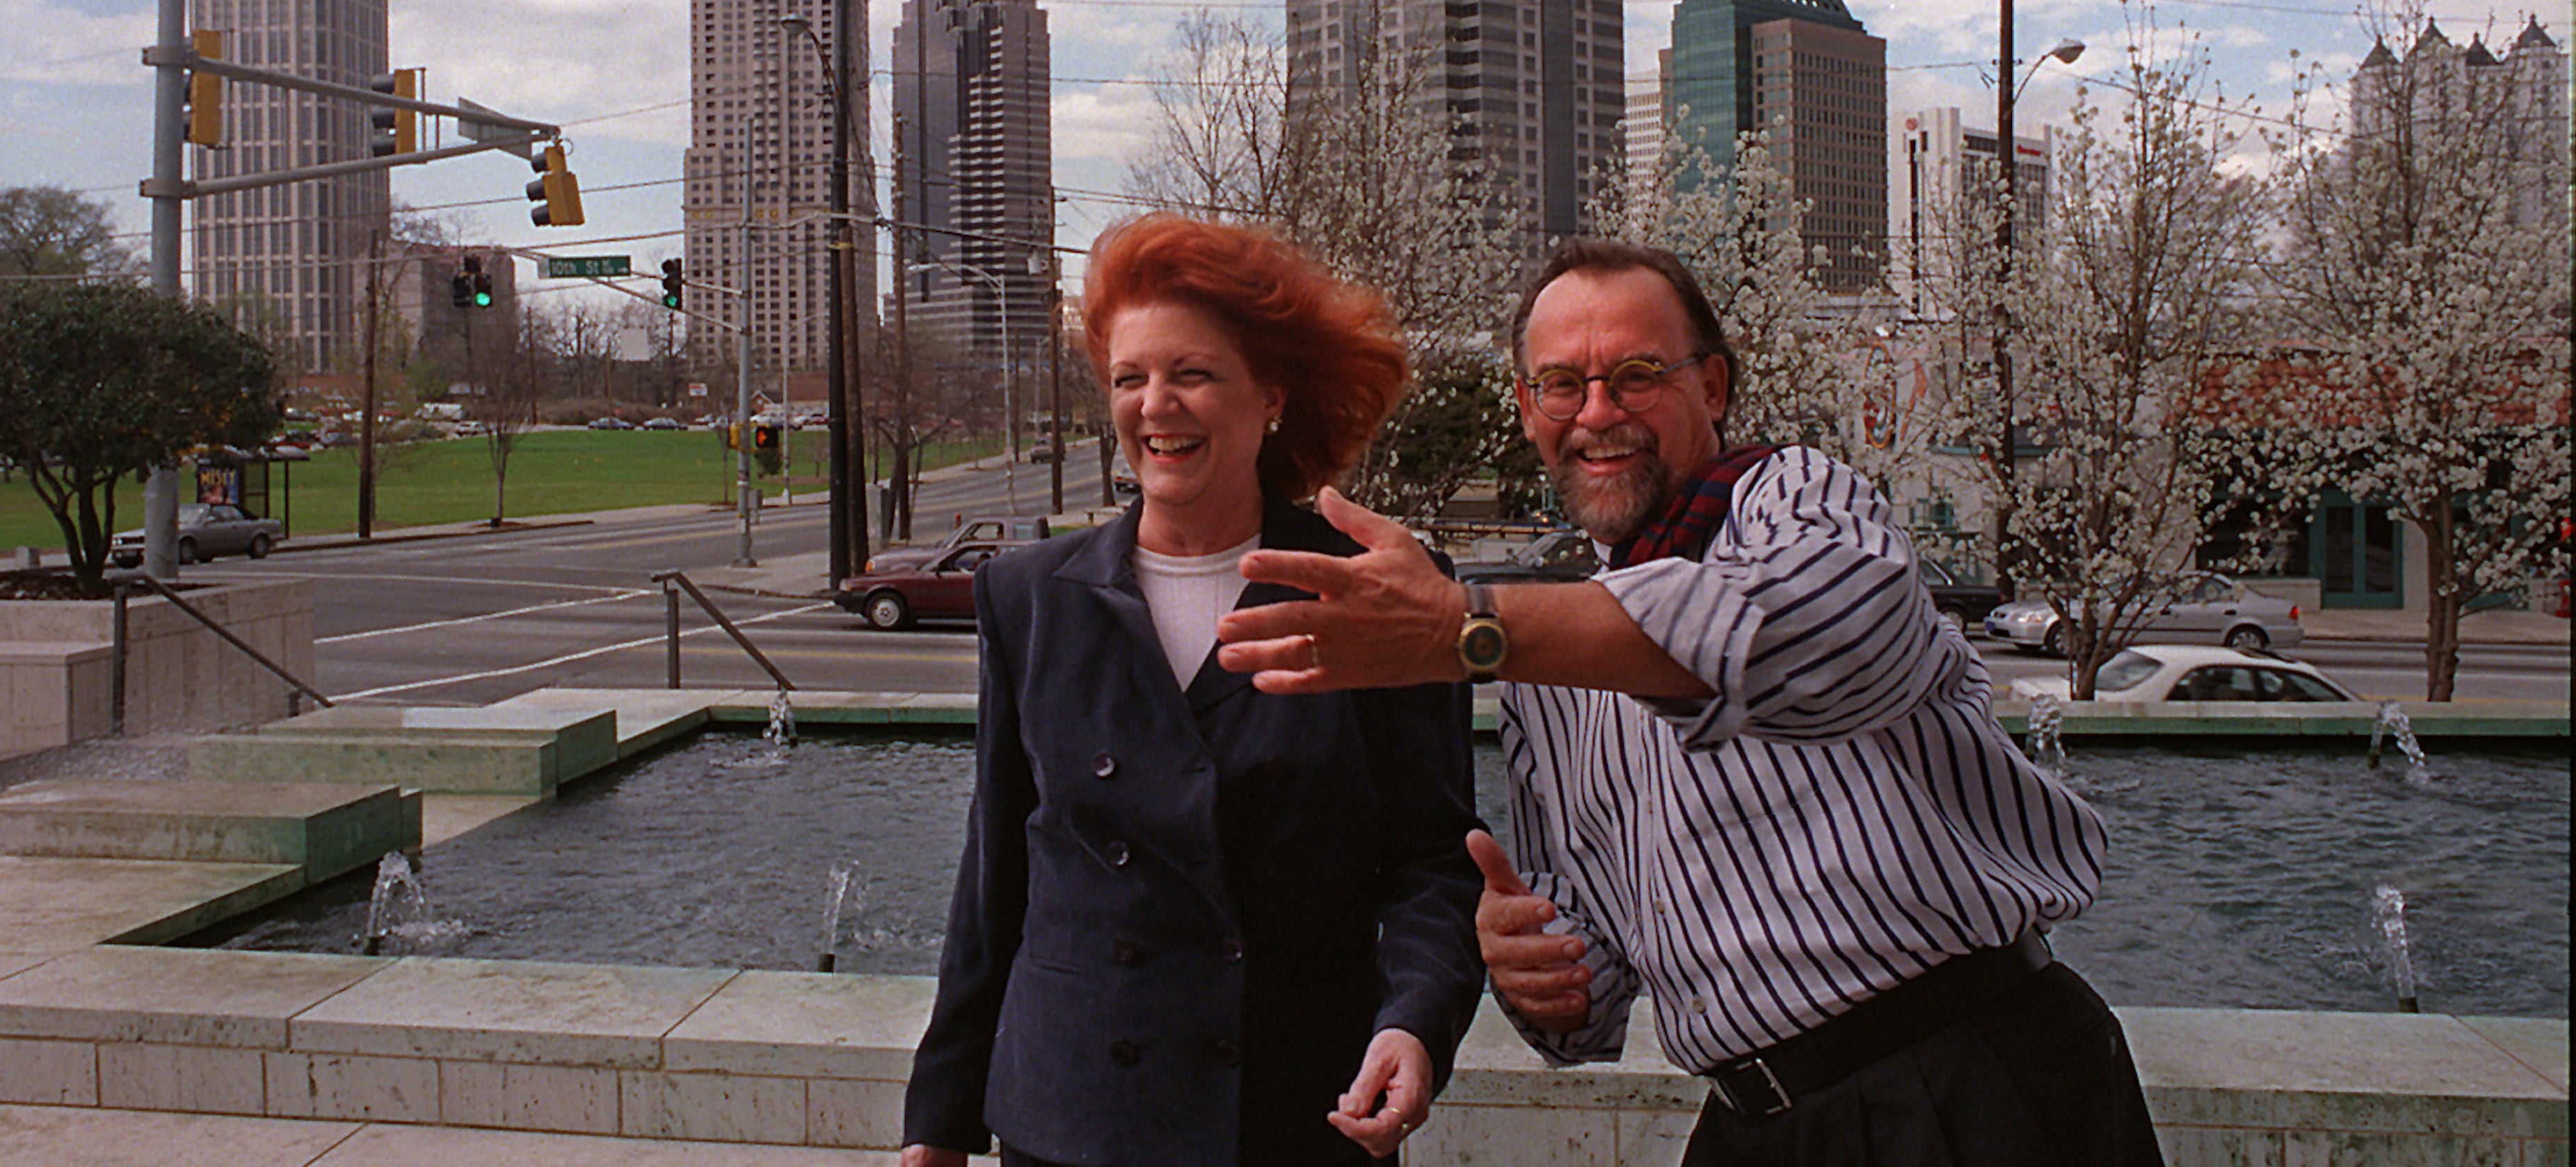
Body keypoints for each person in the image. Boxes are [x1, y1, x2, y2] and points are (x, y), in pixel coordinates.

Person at [1217, 238, 2165, 1164]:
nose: (1598, 413)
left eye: (1636, 376)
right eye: (1561, 384)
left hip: (1963, 1082)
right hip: (1757, 1117)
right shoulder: (1544, 669)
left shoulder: (1796, 499)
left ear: (1712, 387)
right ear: (1526, 406)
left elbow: (1819, 639)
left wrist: (1466, 629)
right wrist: (1539, 969)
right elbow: (1592, 974)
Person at [900, 214, 1484, 1167]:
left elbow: (1434, 860)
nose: (1156, 405)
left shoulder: (1368, 588)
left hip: (1294, 1114)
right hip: (1069, 1118)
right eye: (1131, 378)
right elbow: (996, 874)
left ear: (1272, 398)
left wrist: (1416, 1023)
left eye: (1194, 374)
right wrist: (940, 1116)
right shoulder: (1027, 596)